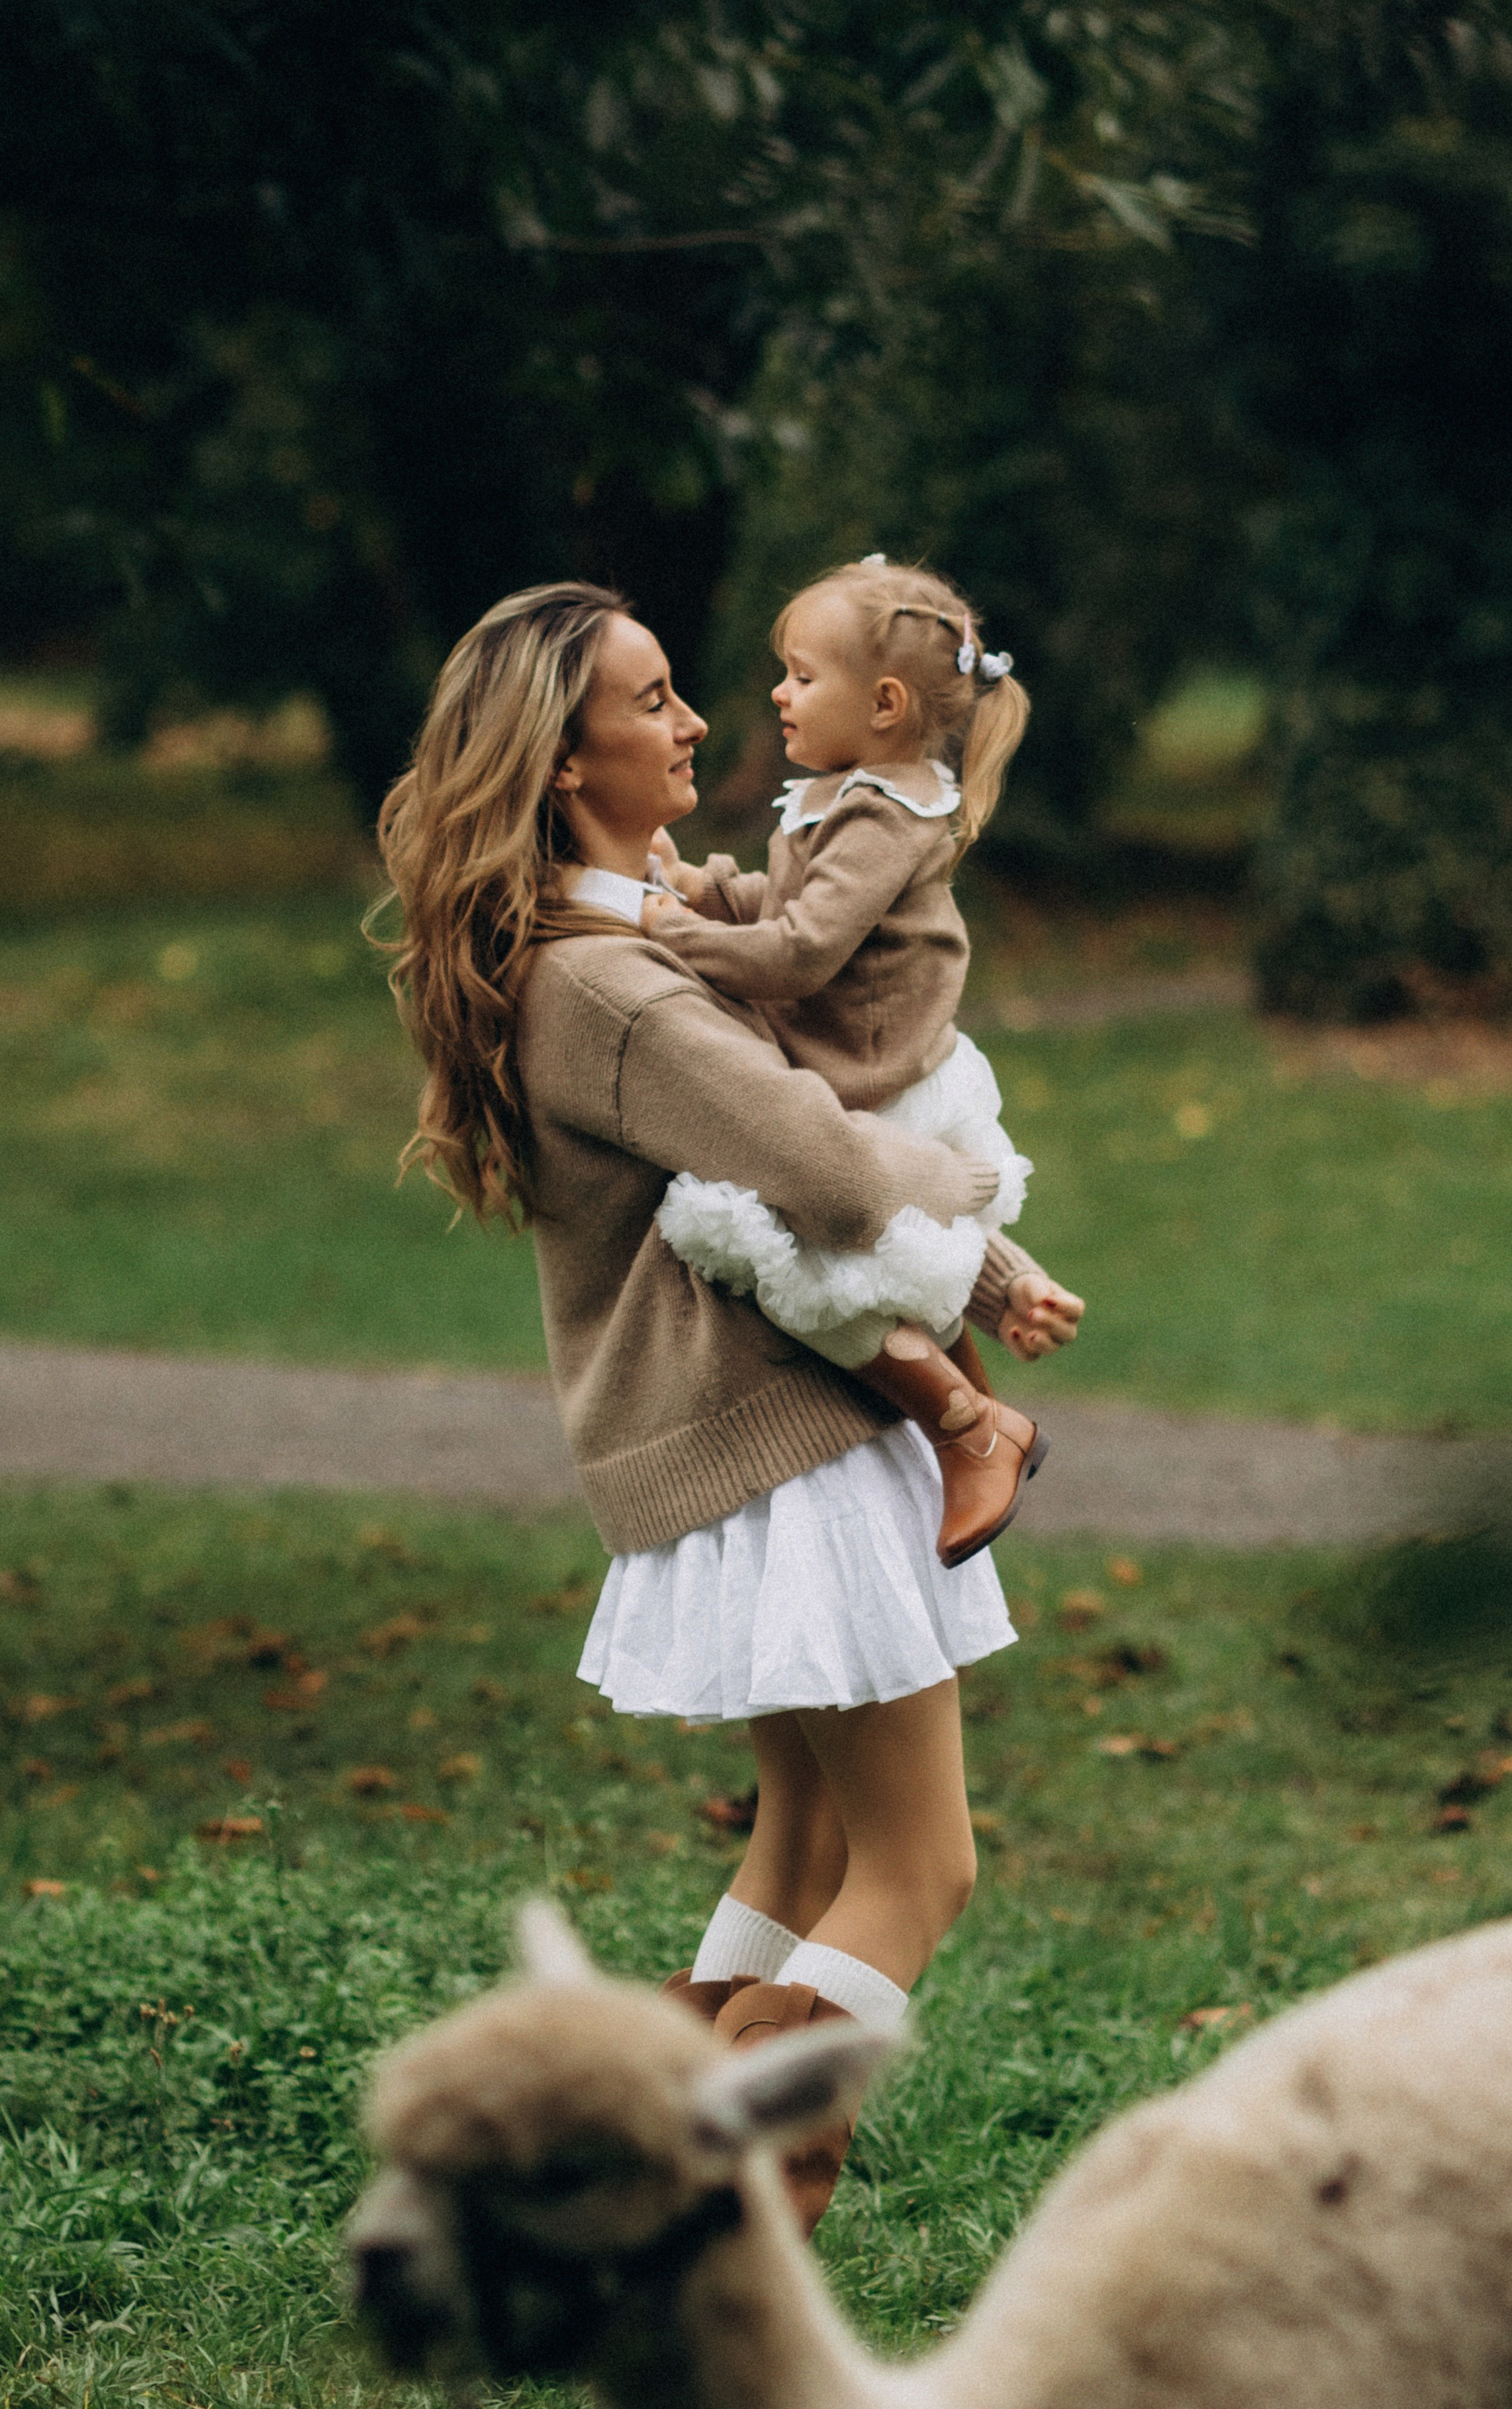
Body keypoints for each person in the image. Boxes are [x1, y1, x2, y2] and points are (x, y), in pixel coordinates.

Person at [373, 580, 1083, 2228]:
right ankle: (727, 2219)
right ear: (565, 763)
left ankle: (635, 2181)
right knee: (921, 1868)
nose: (695, 722)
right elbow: (821, 1167)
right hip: (790, 1457)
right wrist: (979, 1200)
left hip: (747, 1451)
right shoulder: (611, 990)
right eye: (652, 701)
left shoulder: (610, 946)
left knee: (803, 1845)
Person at [643, 555, 1081, 1569]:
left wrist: (672, 933)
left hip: (874, 1073)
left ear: (884, 704)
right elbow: (786, 905)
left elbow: (801, 950)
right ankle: (1004, 1308)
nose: (778, 693)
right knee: (880, 1248)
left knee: (795, 1266)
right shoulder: (847, 795)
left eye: (802, 676)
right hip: (869, 1063)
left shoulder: (884, 815)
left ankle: (970, 1426)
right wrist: (704, 888)